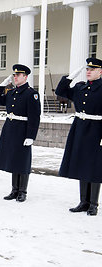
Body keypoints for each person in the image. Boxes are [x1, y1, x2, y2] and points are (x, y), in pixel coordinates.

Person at [55, 57, 102, 216]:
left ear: (100, 72)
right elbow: (61, 91)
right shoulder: (80, 87)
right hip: (80, 129)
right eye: (87, 69)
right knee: (83, 164)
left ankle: (93, 204)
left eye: (92, 70)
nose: (88, 72)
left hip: (97, 130)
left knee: (95, 166)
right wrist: (69, 78)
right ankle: (83, 202)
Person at [0, 64, 41, 202]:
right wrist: (1, 86)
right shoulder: (11, 92)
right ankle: (14, 190)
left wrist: (31, 136)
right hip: (10, 128)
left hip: (23, 130)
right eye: (14, 75)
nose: (15, 77)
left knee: (22, 161)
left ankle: (22, 191)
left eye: (18, 75)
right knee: (13, 159)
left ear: (25, 77)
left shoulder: (31, 94)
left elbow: (35, 117)